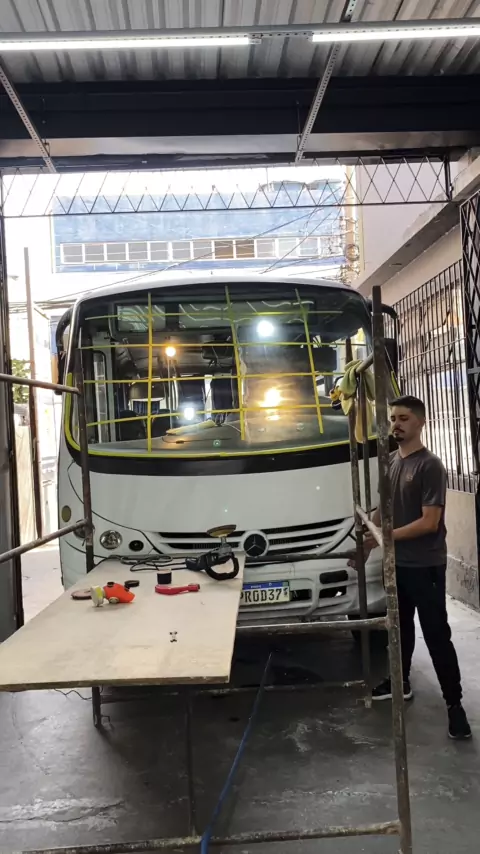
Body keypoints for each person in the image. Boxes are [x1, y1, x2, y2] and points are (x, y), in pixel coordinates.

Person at [363, 395, 471, 740]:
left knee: (437, 634)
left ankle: (454, 705)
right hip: (397, 564)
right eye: (393, 418)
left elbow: (429, 522)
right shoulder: (392, 462)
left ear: (421, 422)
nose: (396, 424)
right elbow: (384, 508)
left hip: (425, 565)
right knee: (399, 629)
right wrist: (367, 538)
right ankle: (401, 681)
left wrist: (385, 536)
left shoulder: (430, 466)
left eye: (404, 418)